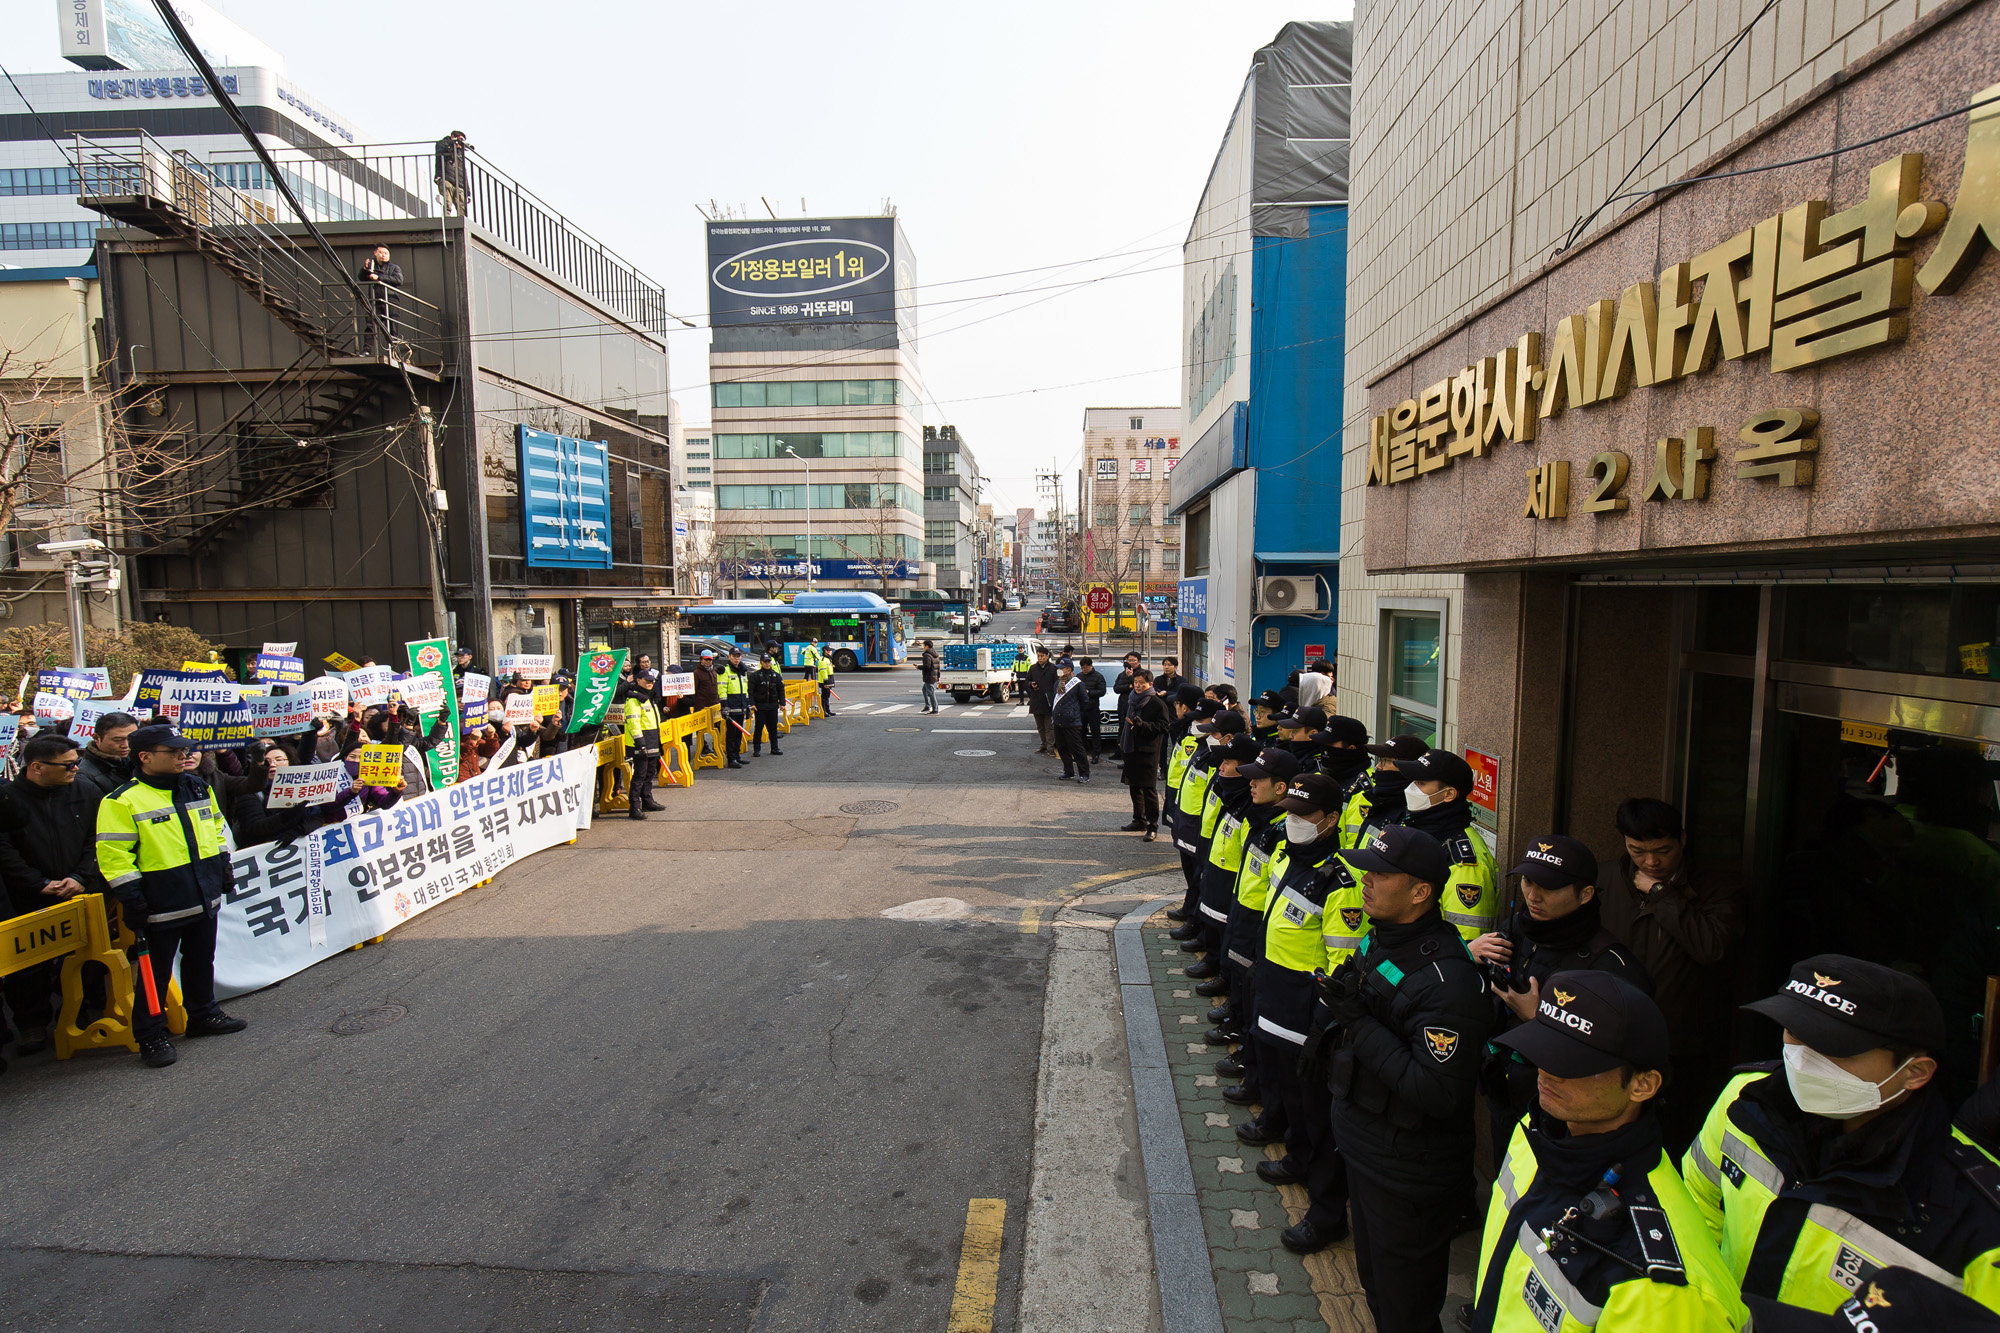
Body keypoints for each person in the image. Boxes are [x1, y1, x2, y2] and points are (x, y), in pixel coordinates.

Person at [1683, 955, 2000, 1315]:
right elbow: (1698, 1210)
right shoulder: (1744, 1100)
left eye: (1835, 1046)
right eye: (1795, 1032)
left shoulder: (1978, 1220)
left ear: (1915, 1073)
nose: (1803, 1059)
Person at [1471, 971, 1747, 1333]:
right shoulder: (1542, 1128)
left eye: (1575, 1063)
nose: (1548, 1071)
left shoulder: (1663, 1290)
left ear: (1642, 1085)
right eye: (1544, 1047)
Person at [1323, 824, 1495, 1333]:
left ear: (1420, 892)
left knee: (1407, 1311)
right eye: (1365, 871)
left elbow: (1437, 1091)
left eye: (1380, 875)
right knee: (1377, 1289)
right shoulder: (1385, 937)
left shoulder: (1449, 981)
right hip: (1368, 1148)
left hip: (1409, 1172)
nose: (1365, 883)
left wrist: (1357, 1020)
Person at [1470, 834, 1654, 1159]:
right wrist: (1466, 957)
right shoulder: (1514, 929)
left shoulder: (1611, 965)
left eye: (1549, 887)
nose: (1533, 895)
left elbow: (1622, 1057)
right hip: (1503, 1096)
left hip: (1566, 1119)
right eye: (1527, 881)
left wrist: (1538, 1018)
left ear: (1584, 895)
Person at [1240, 771, 1356, 1254]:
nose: (1293, 822)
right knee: (1290, 1095)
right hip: (1276, 998)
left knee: (1319, 1113)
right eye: (1289, 811)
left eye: (1304, 816)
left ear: (1330, 820)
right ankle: (1298, 1158)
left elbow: (1342, 966)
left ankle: (1327, 1213)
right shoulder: (1291, 856)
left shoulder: (1341, 879)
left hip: (1310, 1015)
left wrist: (1321, 1025)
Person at [96, 723, 249, 1068]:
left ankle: (203, 1014)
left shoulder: (197, 786)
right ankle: (151, 1034)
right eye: (174, 751)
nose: (185, 756)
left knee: (201, 959)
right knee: (155, 973)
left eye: (185, 750)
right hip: (158, 902)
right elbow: (114, 856)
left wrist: (222, 869)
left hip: (201, 893)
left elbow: (214, 830)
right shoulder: (121, 800)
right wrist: (132, 897)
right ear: (145, 757)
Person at [1597, 797, 1745, 1152]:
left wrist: (1661, 895)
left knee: (1675, 1135)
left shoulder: (1716, 889)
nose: (1651, 862)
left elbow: (1712, 947)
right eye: (1638, 851)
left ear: (1682, 839)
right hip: (1612, 1033)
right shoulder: (1604, 879)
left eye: (1662, 851)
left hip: (1681, 1041)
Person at [0, 733, 109, 1059]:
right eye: (67, 765)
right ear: (36, 767)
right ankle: (32, 1023)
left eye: (76, 763)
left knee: (88, 952)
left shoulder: (85, 791)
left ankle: (77, 1008)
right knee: (27, 965)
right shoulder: (8, 800)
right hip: (28, 897)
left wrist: (79, 877)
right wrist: (39, 883)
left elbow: (99, 836)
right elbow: (3, 850)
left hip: (81, 889)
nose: (76, 769)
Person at [1212, 747, 1297, 1112]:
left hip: (1261, 930)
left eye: (1257, 779)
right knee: (1244, 993)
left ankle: (1254, 1069)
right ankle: (1248, 1053)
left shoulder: (1282, 831)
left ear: (1280, 788)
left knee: (1253, 1001)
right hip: (1243, 916)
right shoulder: (1260, 819)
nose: (1250, 783)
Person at [1398, 747, 1501, 942]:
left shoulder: (1465, 862)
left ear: (1449, 794)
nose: (1411, 788)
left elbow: (1467, 942)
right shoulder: (1424, 831)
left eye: (1420, 783)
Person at [226, 742, 347, 844]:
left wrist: (300, 830)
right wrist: (287, 815)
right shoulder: (250, 792)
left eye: (278, 760)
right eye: (267, 761)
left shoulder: (302, 788)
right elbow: (255, 827)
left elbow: (318, 817)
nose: (273, 764)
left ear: (290, 763)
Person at [1341, 733, 1428, 849]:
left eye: (1386, 761)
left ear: (1406, 768)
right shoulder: (1383, 802)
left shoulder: (1408, 816)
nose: (1378, 766)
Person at [1120, 669, 1168, 839]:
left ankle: (1152, 826)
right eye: (1136, 682)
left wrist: (1144, 725)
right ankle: (1138, 820)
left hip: (1148, 752)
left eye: (1142, 683)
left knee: (1149, 790)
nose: (1139, 686)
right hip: (1131, 749)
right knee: (1134, 787)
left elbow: (1164, 727)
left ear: (1150, 684)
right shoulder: (1132, 699)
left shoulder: (1157, 703)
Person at [620, 679, 665, 818]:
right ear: (639, 681)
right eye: (646, 681)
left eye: (651, 681)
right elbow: (633, 722)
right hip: (640, 741)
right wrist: (639, 740)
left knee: (650, 773)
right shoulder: (634, 699)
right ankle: (634, 807)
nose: (650, 683)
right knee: (640, 775)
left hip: (652, 739)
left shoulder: (650, 697)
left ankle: (647, 801)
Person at [75, 711, 136, 798]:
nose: (126, 745)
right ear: (96, 738)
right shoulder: (83, 776)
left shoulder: (141, 762)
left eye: (131, 738)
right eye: (117, 740)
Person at [356, 245, 404, 356]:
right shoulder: (371, 266)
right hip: (375, 300)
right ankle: (367, 350)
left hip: (391, 301)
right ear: (375, 253)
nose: (383, 255)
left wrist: (379, 277)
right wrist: (365, 269)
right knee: (371, 326)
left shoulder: (394, 267)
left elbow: (399, 280)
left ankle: (394, 352)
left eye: (386, 253)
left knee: (392, 327)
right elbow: (362, 278)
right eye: (381, 252)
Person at [1050, 659, 1090, 783]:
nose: (1059, 670)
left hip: (1072, 721)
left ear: (1069, 669)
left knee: (1077, 748)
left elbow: (1085, 702)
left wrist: (1074, 713)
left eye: (1062, 668)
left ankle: (1084, 773)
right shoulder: (1057, 683)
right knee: (1062, 747)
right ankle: (1069, 771)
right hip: (1059, 721)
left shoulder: (1077, 683)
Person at [719, 647, 752, 769]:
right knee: (731, 735)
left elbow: (745, 690)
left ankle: (737, 756)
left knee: (739, 734)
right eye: (734, 656)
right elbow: (722, 690)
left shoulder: (742, 670)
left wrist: (747, 705)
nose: (736, 658)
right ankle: (731, 758)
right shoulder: (725, 671)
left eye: (738, 656)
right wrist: (725, 706)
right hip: (731, 708)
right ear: (729, 657)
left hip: (741, 707)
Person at [748, 653, 786, 756]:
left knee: (773, 728)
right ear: (761, 662)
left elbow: (781, 690)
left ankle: (775, 748)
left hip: (772, 705)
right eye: (765, 662)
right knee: (759, 728)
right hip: (760, 706)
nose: (767, 664)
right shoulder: (755, 676)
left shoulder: (775, 675)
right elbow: (750, 691)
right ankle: (757, 749)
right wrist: (752, 703)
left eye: (768, 661)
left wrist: (782, 703)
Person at [1025, 647, 1058, 756]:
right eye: (1038, 656)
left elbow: (1057, 684)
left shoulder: (1053, 669)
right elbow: (1027, 681)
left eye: (1042, 656)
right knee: (1040, 725)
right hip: (1036, 700)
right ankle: (1043, 744)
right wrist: (1031, 685)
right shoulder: (1033, 668)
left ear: (1047, 656)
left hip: (1048, 701)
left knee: (1049, 726)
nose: (1040, 658)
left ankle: (1050, 747)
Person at [1076, 656, 1107, 761]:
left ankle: (1096, 754)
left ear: (1091, 666)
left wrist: (1089, 692)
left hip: (1093, 708)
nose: (1084, 670)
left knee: (1095, 732)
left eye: (1086, 668)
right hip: (1081, 709)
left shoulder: (1098, 676)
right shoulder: (1079, 676)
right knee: (1081, 732)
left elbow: (1102, 691)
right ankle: (1082, 752)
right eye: (1082, 668)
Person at [433, 129, 472, 214]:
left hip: (459, 183)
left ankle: (461, 226)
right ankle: (447, 224)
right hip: (446, 178)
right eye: (460, 139)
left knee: (462, 208)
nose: (461, 142)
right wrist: (453, 144)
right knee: (447, 204)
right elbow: (441, 154)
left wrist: (467, 190)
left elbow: (463, 171)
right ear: (453, 137)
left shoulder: (460, 152)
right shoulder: (443, 143)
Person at [919, 640, 942, 715]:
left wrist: (918, 667)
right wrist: (938, 676)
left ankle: (935, 709)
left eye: (924, 646)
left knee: (931, 693)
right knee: (924, 690)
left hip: (929, 676)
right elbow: (938, 666)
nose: (923, 647)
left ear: (927, 646)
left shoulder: (927, 655)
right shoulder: (935, 654)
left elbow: (927, 666)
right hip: (933, 676)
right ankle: (927, 706)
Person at [815, 641, 836, 715]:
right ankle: (823, 711)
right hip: (825, 681)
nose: (831, 652)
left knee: (827, 697)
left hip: (829, 680)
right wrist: (826, 682)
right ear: (825, 651)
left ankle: (828, 711)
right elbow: (823, 672)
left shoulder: (827, 659)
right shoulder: (822, 660)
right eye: (830, 651)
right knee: (824, 697)